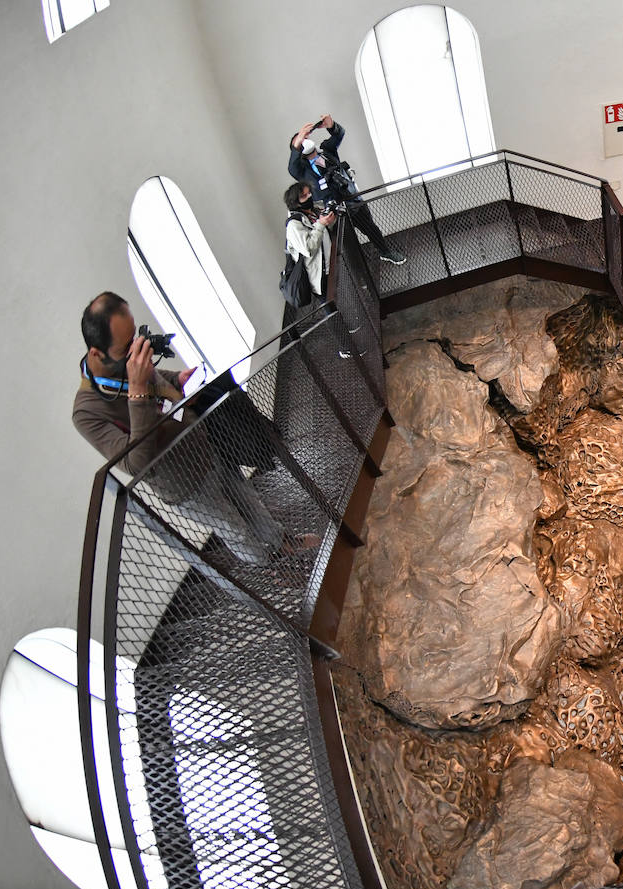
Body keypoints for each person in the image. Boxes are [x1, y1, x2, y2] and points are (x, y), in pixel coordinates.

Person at [73, 292, 291, 566]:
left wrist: (177, 379)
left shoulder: (128, 361)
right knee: (234, 529)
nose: (136, 352)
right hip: (186, 484)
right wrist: (138, 394)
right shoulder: (86, 413)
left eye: (136, 340)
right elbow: (137, 463)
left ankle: (284, 544)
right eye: (126, 347)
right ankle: (271, 568)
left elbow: (156, 379)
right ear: (96, 353)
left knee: (249, 500)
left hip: (208, 448)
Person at [289, 114, 407, 265]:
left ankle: (386, 252)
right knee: (348, 245)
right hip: (335, 212)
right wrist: (297, 141)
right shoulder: (302, 170)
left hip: (353, 200)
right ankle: (359, 272)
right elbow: (291, 167)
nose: (304, 141)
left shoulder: (327, 152)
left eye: (305, 138)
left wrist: (331, 126)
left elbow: (339, 135)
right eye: (300, 142)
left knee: (371, 228)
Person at [284, 181, 335, 303]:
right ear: (295, 203)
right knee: (332, 307)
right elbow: (308, 249)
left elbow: (324, 235)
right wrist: (321, 224)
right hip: (320, 276)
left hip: (332, 264)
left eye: (309, 193)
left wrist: (330, 221)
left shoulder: (314, 212)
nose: (309, 197)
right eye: (303, 196)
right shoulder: (293, 225)